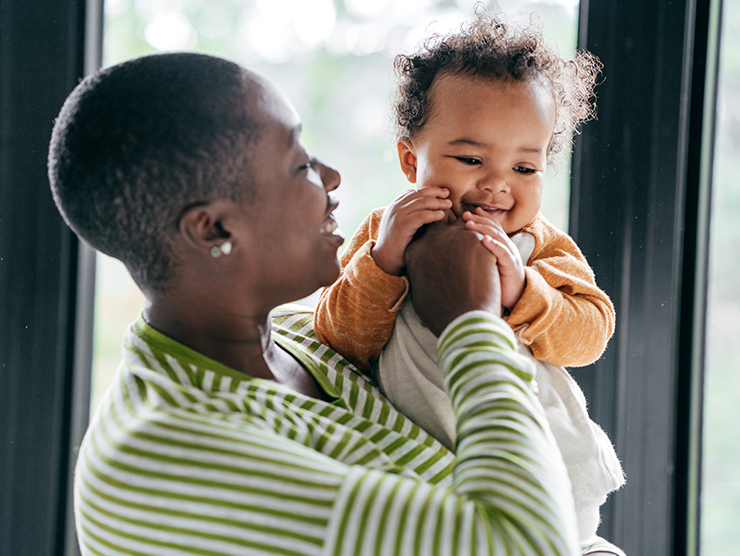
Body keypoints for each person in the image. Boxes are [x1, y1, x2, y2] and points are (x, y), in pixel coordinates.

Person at [49, 51, 583, 555]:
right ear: (213, 227)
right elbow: (529, 546)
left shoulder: (298, 338)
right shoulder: (166, 459)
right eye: (299, 164)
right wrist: (471, 320)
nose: (332, 177)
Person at [314, 15, 625, 554]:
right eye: (472, 159)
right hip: (425, 470)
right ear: (412, 159)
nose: (498, 184)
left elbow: (592, 332)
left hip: (544, 461)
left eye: (525, 168)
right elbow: (339, 336)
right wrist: (384, 260)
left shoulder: (539, 245)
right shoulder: (387, 235)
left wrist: (524, 293)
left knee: (571, 541)